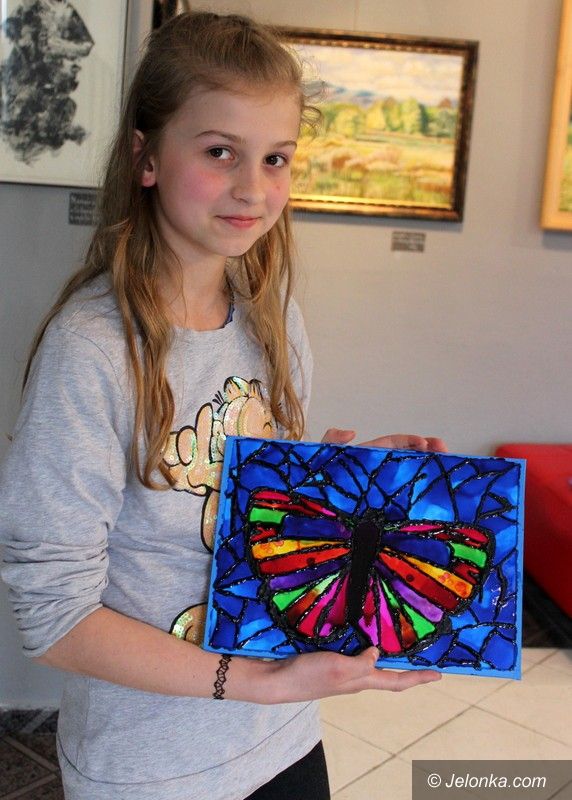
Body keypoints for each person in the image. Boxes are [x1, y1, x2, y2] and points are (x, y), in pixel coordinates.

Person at [0, 11, 444, 800]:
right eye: (219, 152)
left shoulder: (273, 319)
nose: (253, 188)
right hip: (154, 768)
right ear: (145, 156)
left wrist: (346, 480)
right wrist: (259, 682)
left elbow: (252, 518)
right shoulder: (92, 351)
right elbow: (54, 617)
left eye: (275, 158)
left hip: (283, 737)